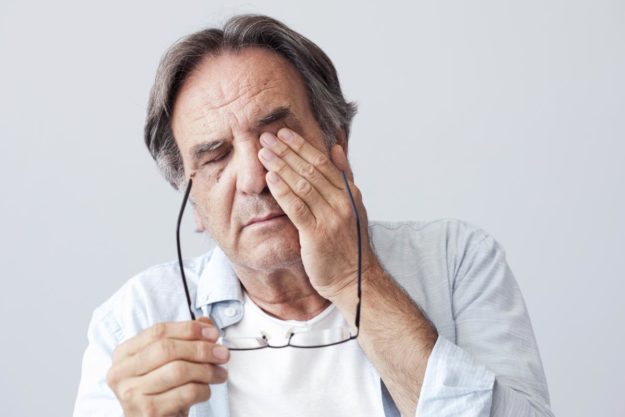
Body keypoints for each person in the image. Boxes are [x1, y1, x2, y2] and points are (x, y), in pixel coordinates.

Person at [73, 14, 553, 417]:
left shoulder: (456, 263)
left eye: (275, 138)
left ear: (337, 145)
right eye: (215, 156)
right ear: (193, 202)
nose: (253, 180)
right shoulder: (133, 321)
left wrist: (353, 277)